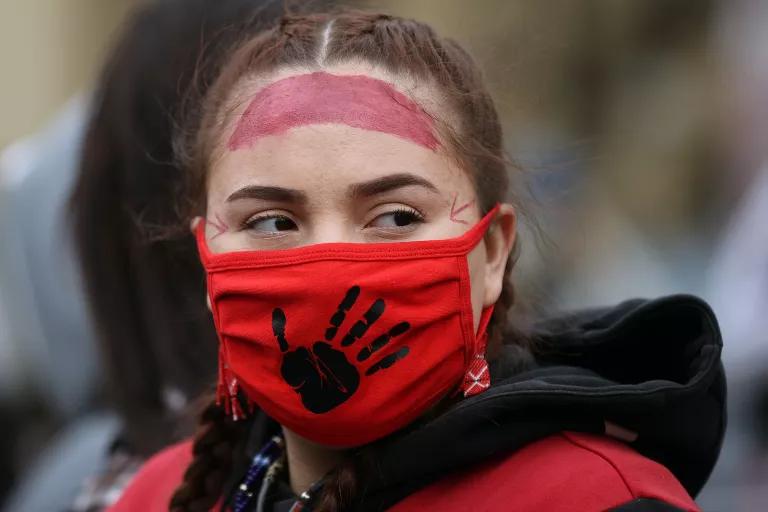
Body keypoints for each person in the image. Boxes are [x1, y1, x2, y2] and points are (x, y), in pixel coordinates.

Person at [111, 9, 725, 512]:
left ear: (491, 254)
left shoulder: (596, 502)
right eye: (272, 222)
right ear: (206, 254)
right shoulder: (154, 497)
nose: (331, 264)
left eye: (397, 216)